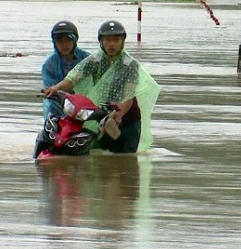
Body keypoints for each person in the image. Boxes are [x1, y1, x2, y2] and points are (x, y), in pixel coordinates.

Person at [43, 20, 160, 153]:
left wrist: (117, 117)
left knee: (127, 161)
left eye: (116, 40)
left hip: (126, 120)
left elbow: (129, 95)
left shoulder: (130, 64)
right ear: (101, 42)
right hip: (102, 116)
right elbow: (72, 79)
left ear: (122, 41)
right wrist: (56, 88)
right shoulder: (95, 60)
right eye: (107, 40)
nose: (111, 44)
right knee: (99, 160)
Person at [42, 21, 90, 119]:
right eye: (60, 41)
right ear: (54, 43)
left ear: (75, 40)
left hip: (86, 106)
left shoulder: (88, 59)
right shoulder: (49, 65)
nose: (64, 45)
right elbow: (51, 91)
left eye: (68, 40)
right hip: (57, 109)